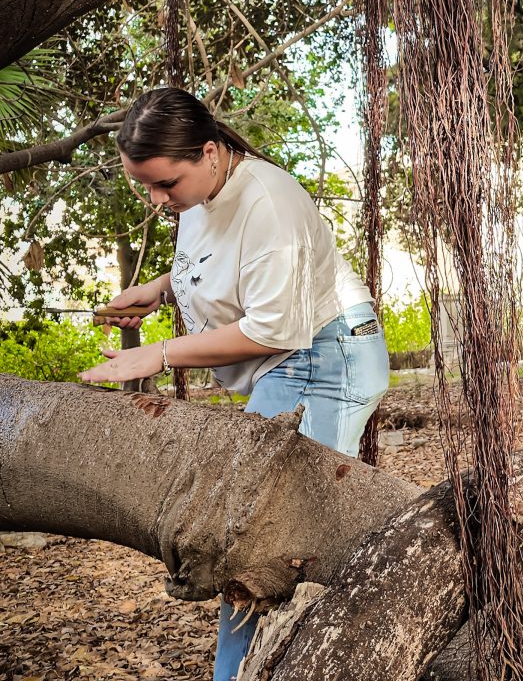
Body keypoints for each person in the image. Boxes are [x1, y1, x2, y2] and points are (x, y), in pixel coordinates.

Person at [79, 87, 390, 681]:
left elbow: (275, 328)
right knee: (258, 538)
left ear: (209, 152)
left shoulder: (269, 203)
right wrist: (159, 290)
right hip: (293, 361)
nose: (157, 199)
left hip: (323, 359)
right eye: (144, 185)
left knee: (265, 541)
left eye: (165, 184)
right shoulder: (199, 195)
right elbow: (217, 261)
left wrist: (161, 354)